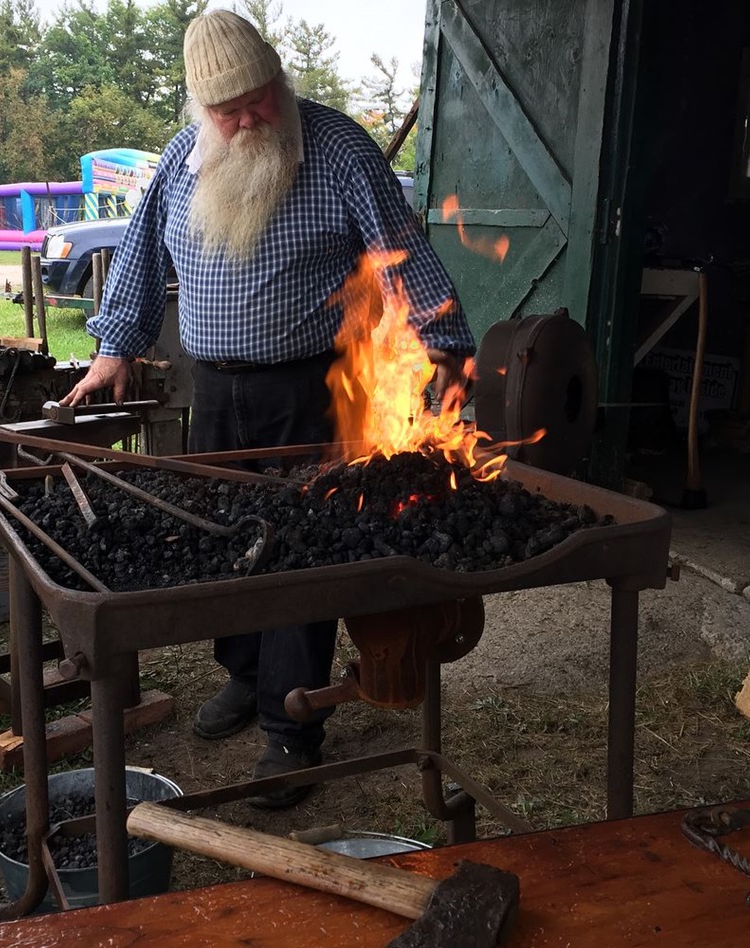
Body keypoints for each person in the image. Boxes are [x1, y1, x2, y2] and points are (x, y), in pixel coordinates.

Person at [61, 9, 475, 808]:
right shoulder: (184, 159)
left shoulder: (339, 149)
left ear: (278, 79)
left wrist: (446, 349)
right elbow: (142, 255)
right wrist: (114, 345)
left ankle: (292, 728)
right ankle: (246, 679)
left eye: (259, 96)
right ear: (199, 110)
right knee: (224, 537)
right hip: (212, 386)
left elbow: (403, 252)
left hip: (309, 389)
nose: (250, 117)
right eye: (229, 109)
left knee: (298, 554)